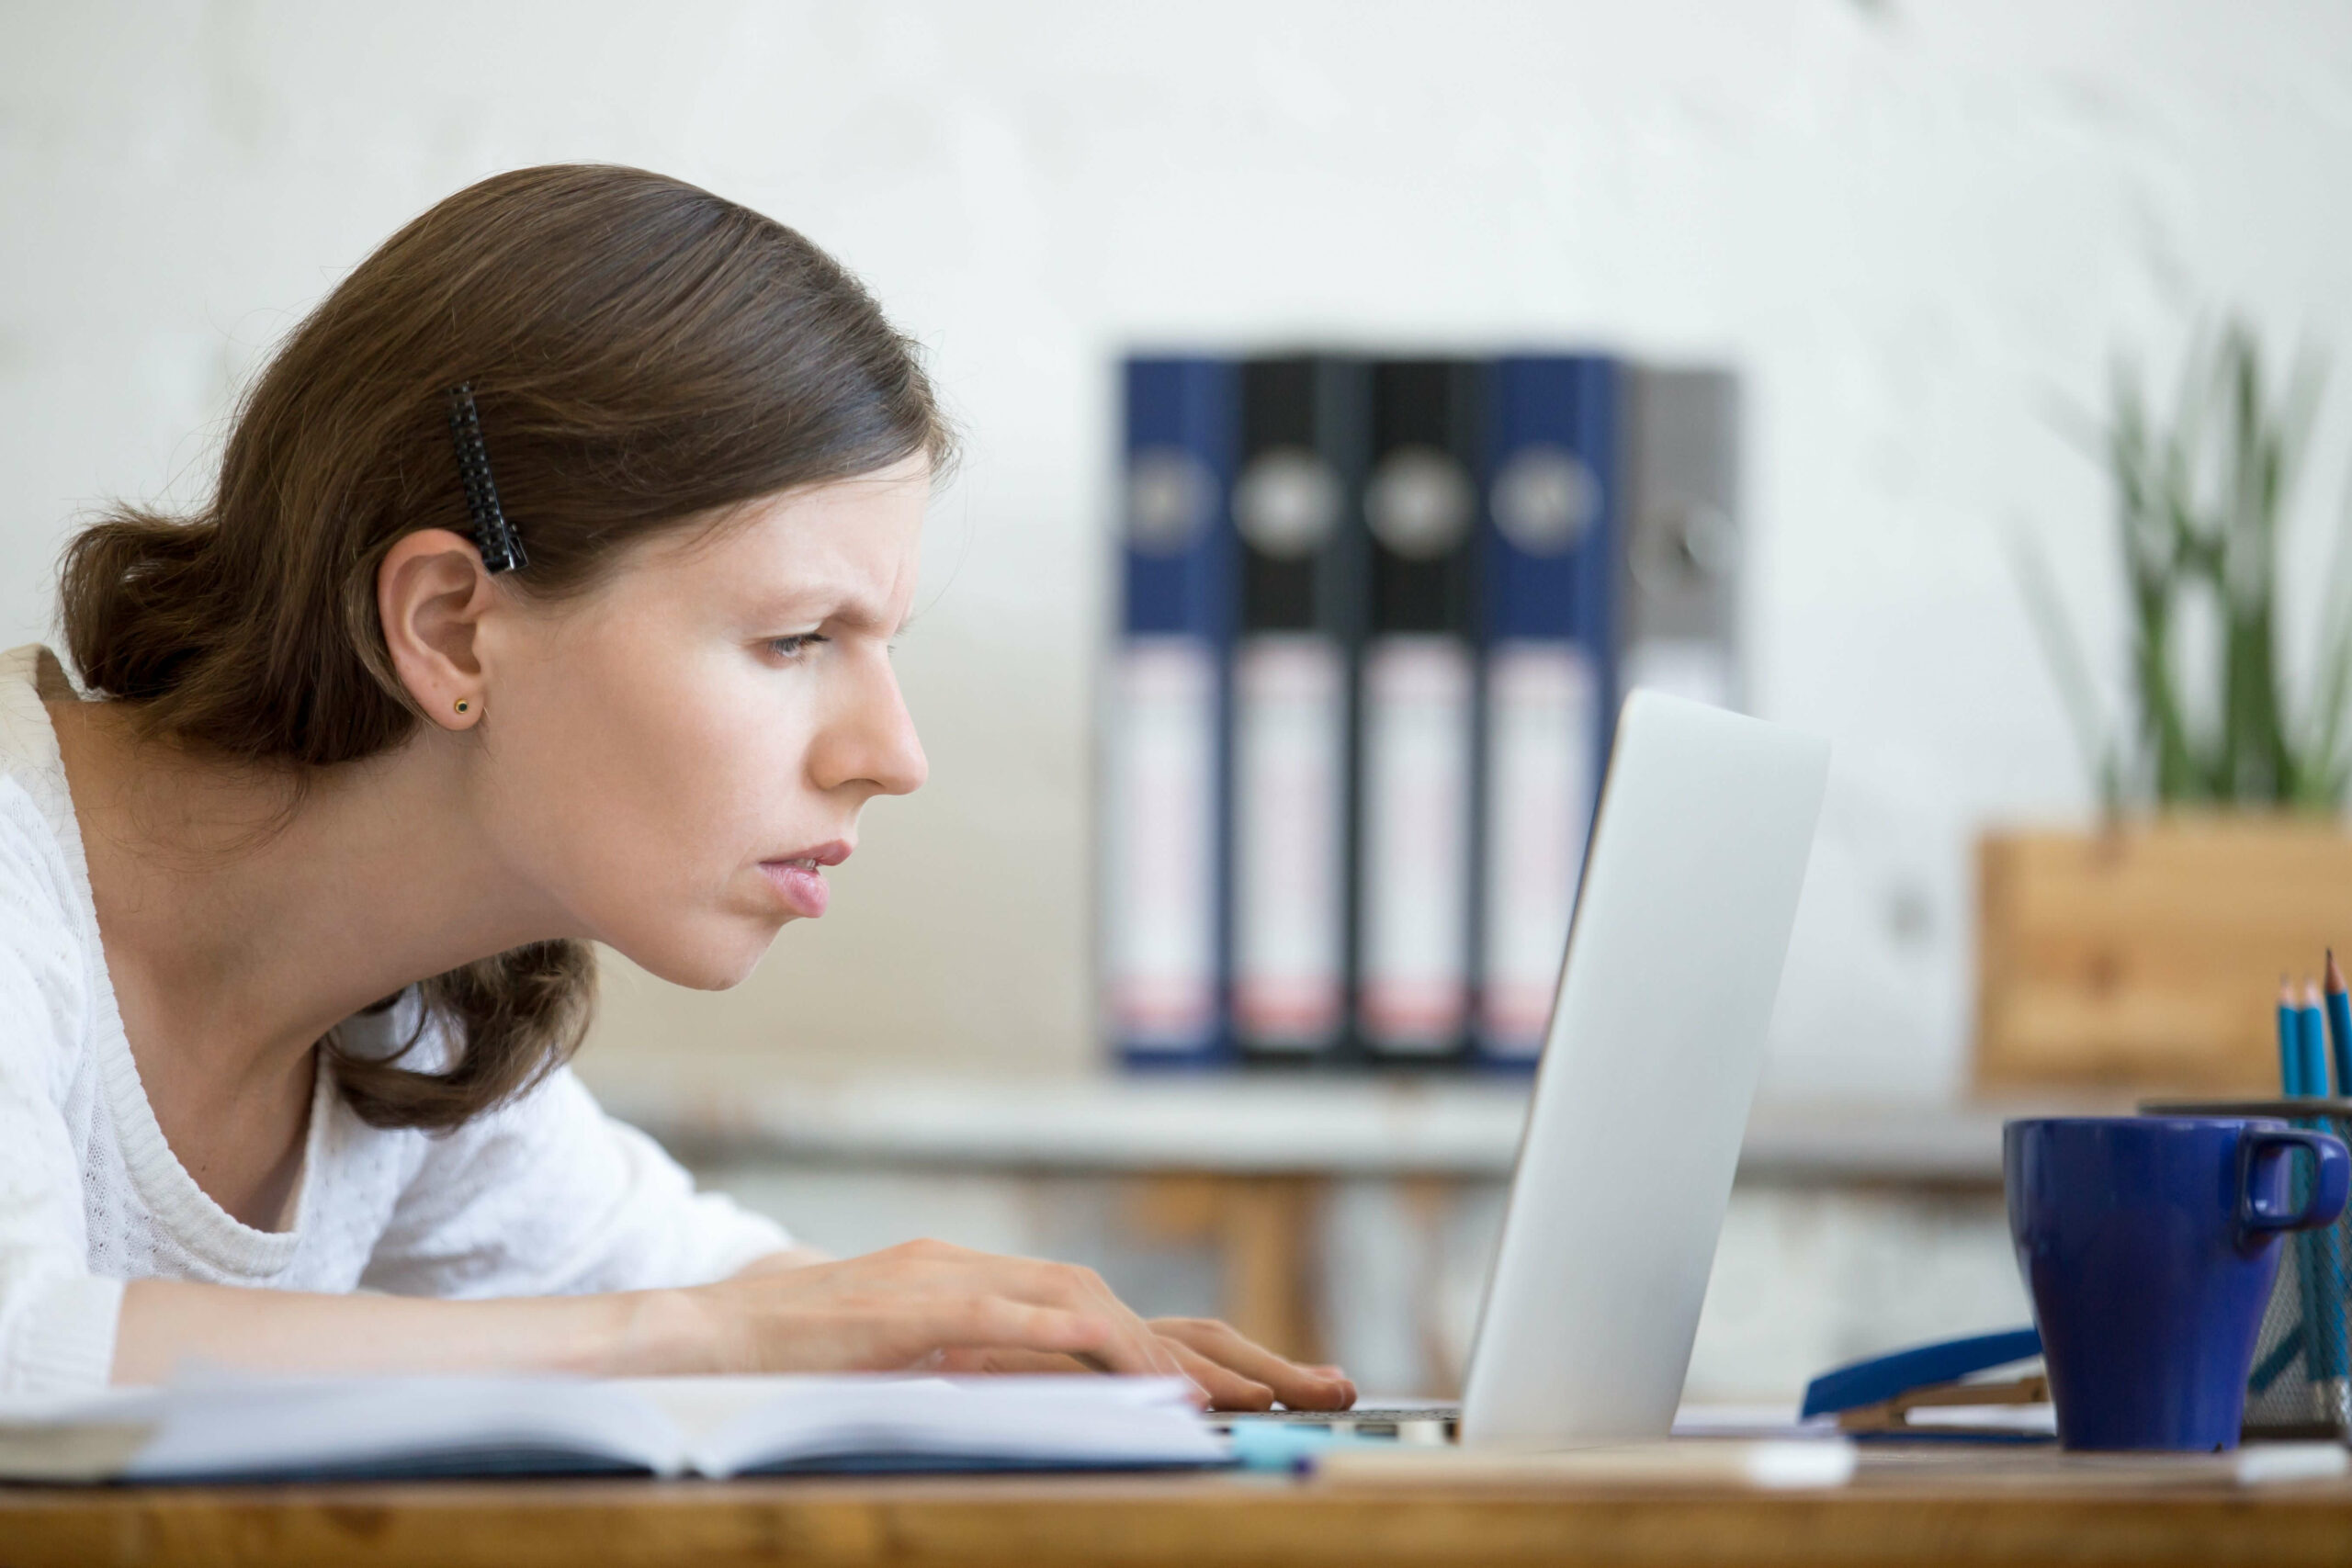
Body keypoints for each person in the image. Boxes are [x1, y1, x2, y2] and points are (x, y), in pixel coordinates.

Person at [0, 164, 1353, 1414]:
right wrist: (712, 1335)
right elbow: (21, 1347)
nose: (894, 755)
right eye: (793, 640)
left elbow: (702, 1283)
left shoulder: (404, 1027)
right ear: (452, 628)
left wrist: (999, 1346)